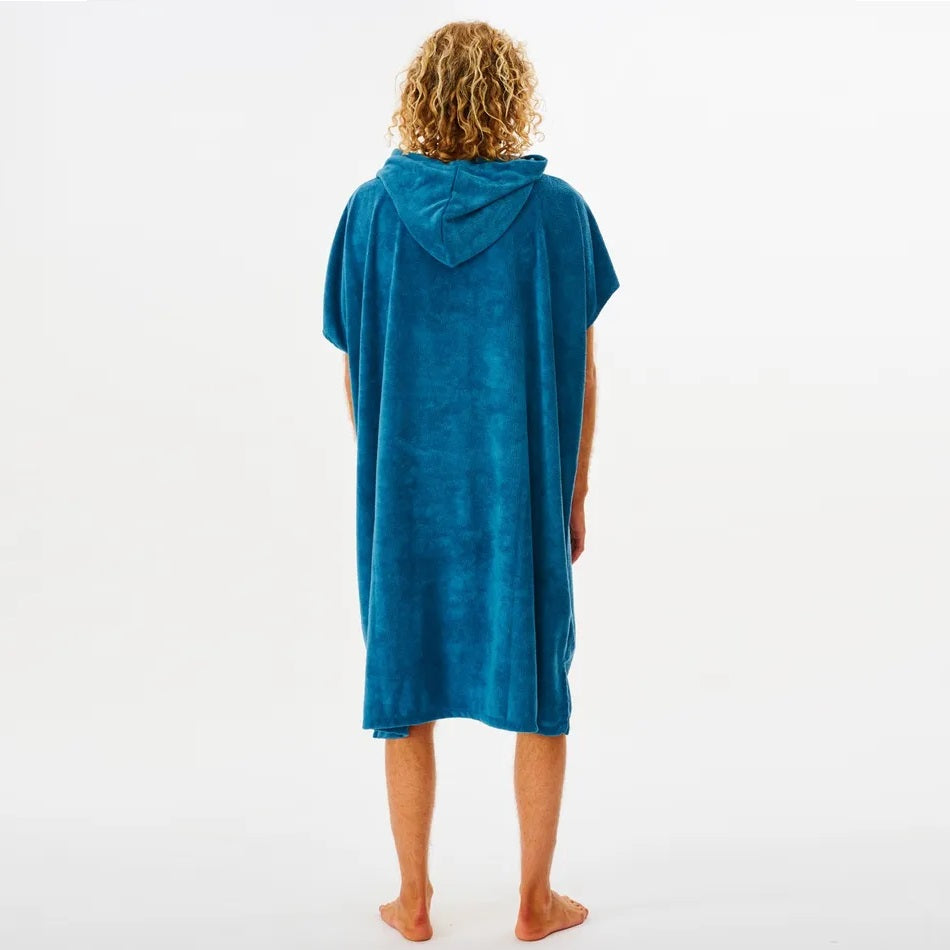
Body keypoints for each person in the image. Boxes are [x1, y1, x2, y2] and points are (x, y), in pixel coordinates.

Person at [323, 19, 619, 943]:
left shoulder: (370, 214)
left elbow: (354, 368)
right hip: (517, 492)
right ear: (510, 97)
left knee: (403, 690)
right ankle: (535, 900)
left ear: (419, 96)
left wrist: (387, 476)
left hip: (405, 496)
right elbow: (582, 371)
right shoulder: (557, 213)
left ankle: (412, 899)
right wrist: (574, 493)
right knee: (538, 685)